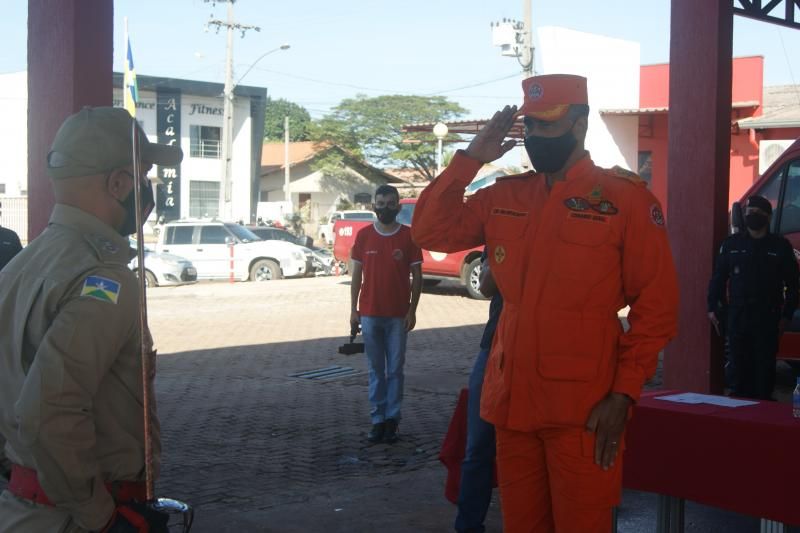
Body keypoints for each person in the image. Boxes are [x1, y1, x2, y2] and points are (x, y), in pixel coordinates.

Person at [412, 74, 679, 532]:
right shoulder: (507, 195)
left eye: (547, 125)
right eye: (530, 126)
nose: (536, 136)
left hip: (584, 410)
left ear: (580, 125)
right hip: (512, 405)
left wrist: (623, 393)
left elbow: (657, 308)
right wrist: (471, 159)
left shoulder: (625, 200)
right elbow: (429, 231)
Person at [0, 107, 182, 532]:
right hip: (76, 517)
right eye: (143, 176)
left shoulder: (22, 265)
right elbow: (50, 409)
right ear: (118, 184)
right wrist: (103, 518)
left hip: (25, 509)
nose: (147, 188)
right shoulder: (104, 277)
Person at [350, 184, 423, 444]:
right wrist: (353, 310)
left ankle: (392, 419)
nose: (385, 209)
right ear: (374, 206)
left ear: (398, 206)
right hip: (369, 314)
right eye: (380, 204)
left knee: (395, 370)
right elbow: (356, 276)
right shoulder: (364, 236)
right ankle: (377, 419)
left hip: (398, 315)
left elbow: (417, 277)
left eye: (390, 204)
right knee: (375, 370)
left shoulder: (409, 236)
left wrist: (412, 310)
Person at [707, 195, 799, 400]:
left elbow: (794, 286)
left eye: (757, 213)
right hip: (738, 317)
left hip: (767, 318)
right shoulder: (731, 245)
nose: (752, 216)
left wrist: (786, 317)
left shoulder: (780, 247)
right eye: (749, 213)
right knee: (737, 376)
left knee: (763, 377)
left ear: (768, 217)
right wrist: (712, 307)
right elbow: (718, 278)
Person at [454, 252, 503, 533]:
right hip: (494, 345)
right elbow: (486, 286)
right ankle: (468, 526)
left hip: (541, 348)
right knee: (478, 445)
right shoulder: (500, 233)